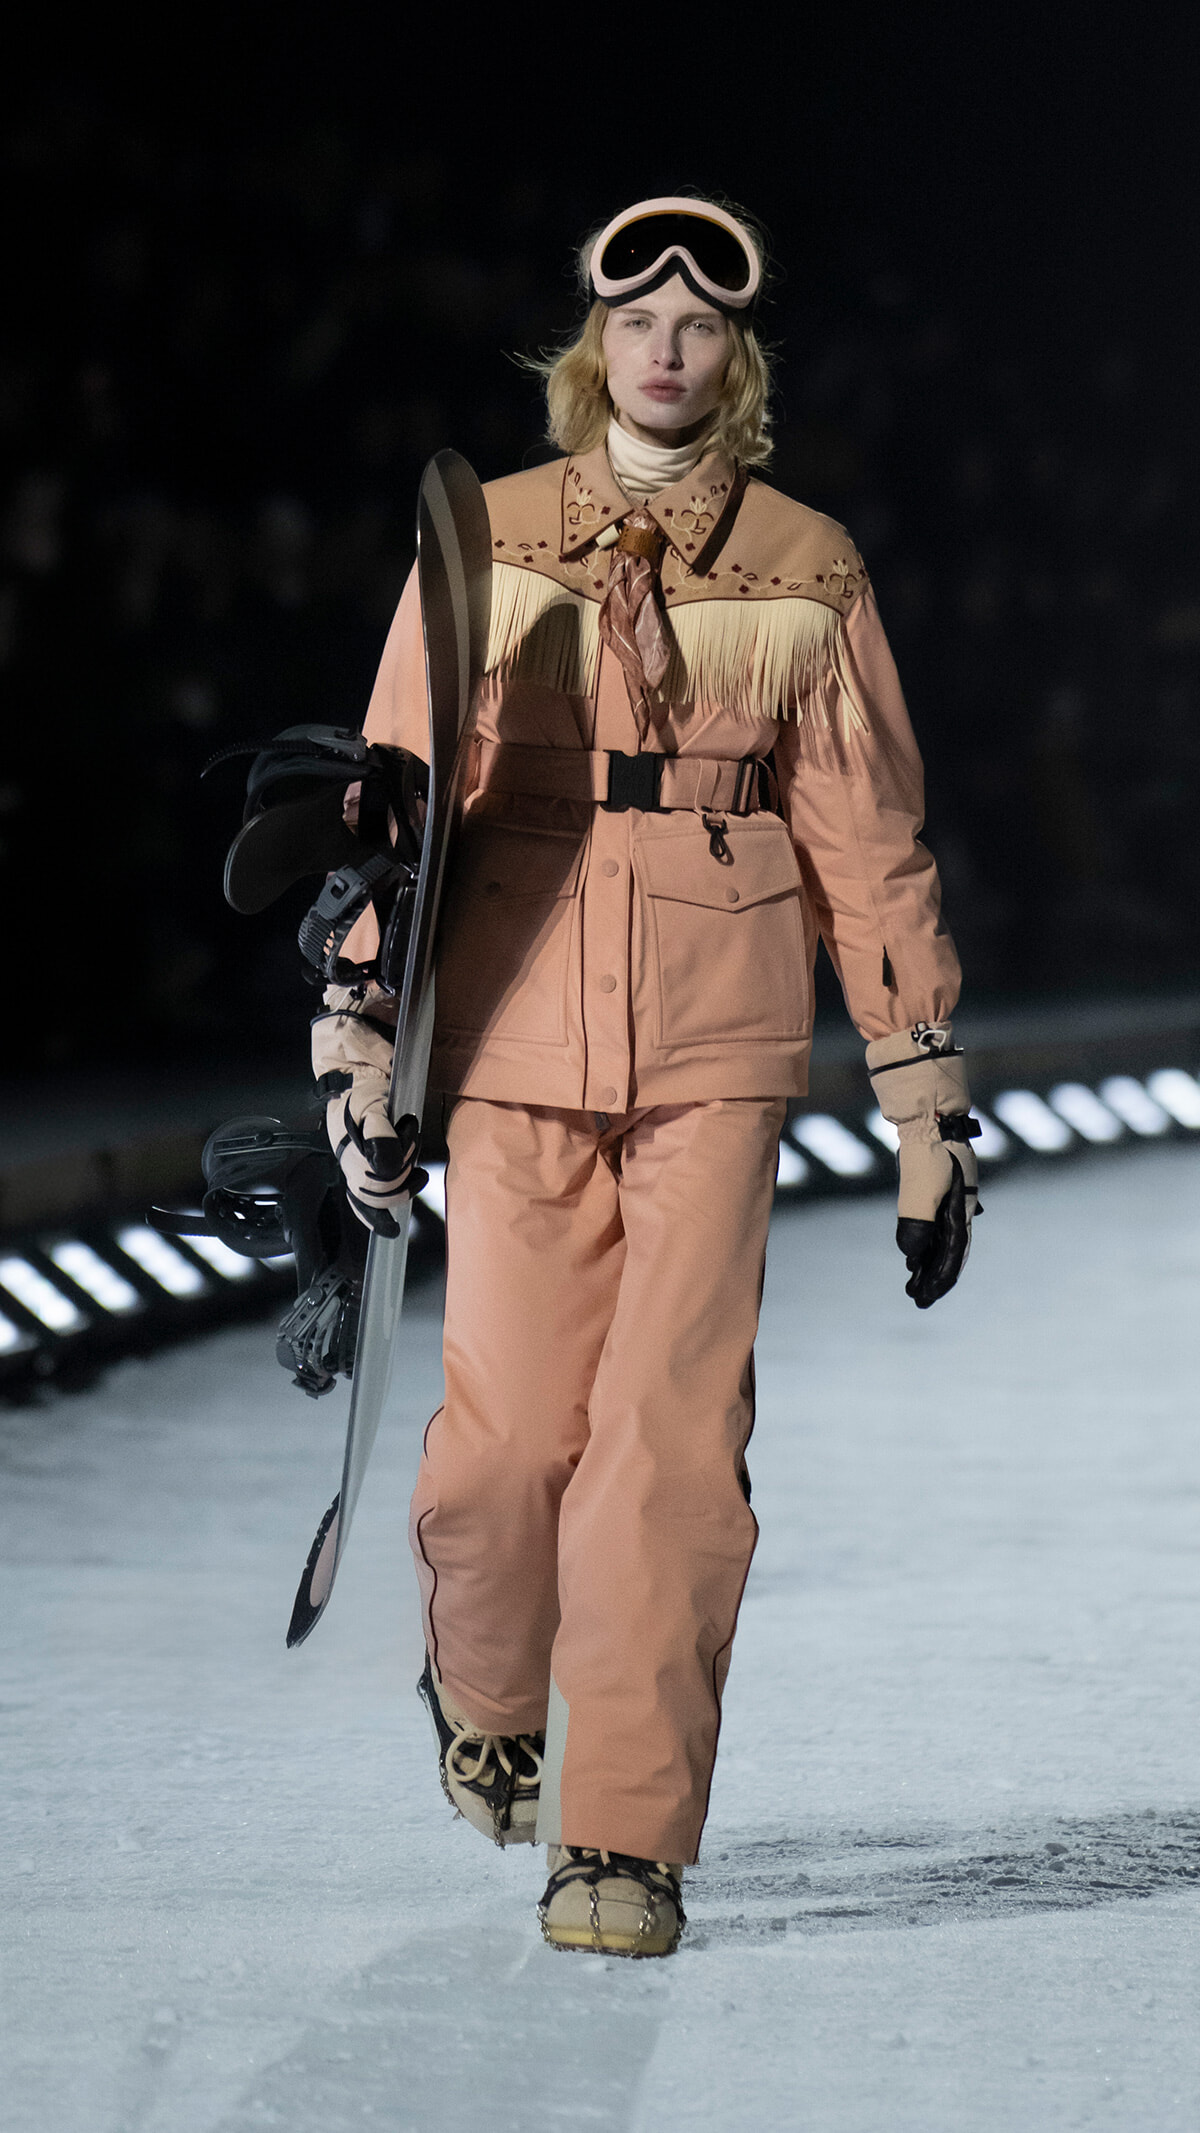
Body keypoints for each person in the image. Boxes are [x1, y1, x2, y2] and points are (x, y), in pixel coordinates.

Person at [310, 196, 979, 1958]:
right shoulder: (490, 544)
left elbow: (872, 842)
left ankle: (623, 1833)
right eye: (636, 321)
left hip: (720, 1034)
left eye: (700, 325)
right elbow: (392, 815)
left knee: (669, 1449)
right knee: (501, 1455)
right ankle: (488, 1691)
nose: (666, 347)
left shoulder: (807, 564)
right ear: (590, 348)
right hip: (514, 1016)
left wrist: (926, 1114)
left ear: (737, 362)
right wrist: (360, 1036)